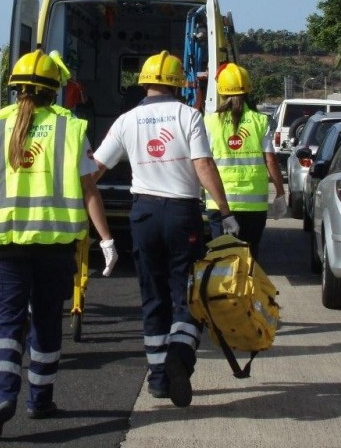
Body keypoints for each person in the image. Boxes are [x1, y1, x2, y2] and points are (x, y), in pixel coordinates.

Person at [0, 49, 118, 441]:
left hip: (5, 246)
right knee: (45, 322)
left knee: (6, 323)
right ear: (54, 91)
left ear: (15, 88)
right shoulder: (71, 128)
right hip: (55, 246)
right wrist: (106, 240)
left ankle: (0, 398)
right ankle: (39, 401)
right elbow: (90, 190)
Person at [91, 50, 238, 408]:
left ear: (143, 82)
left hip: (143, 215)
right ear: (179, 84)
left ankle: (158, 378)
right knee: (186, 294)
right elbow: (202, 164)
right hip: (181, 215)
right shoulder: (188, 115)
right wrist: (225, 210)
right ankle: (180, 356)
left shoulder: (126, 120)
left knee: (153, 296)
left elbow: (94, 168)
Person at [204, 63, 287, 260]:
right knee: (249, 259)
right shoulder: (260, 121)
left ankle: (224, 291)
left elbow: (203, 162)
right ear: (248, 89)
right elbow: (270, 160)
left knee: (221, 259)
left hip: (220, 203)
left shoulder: (209, 122)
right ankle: (247, 290)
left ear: (221, 91)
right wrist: (280, 193)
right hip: (253, 207)